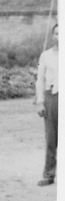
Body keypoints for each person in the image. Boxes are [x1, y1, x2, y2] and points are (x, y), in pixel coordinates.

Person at [35, 23, 58, 186]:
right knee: (51, 137)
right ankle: (49, 173)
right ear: (53, 36)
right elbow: (40, 79)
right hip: (52, 98)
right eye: (57, 34)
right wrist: (40, 102)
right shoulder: (46, 55)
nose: (60, 37)